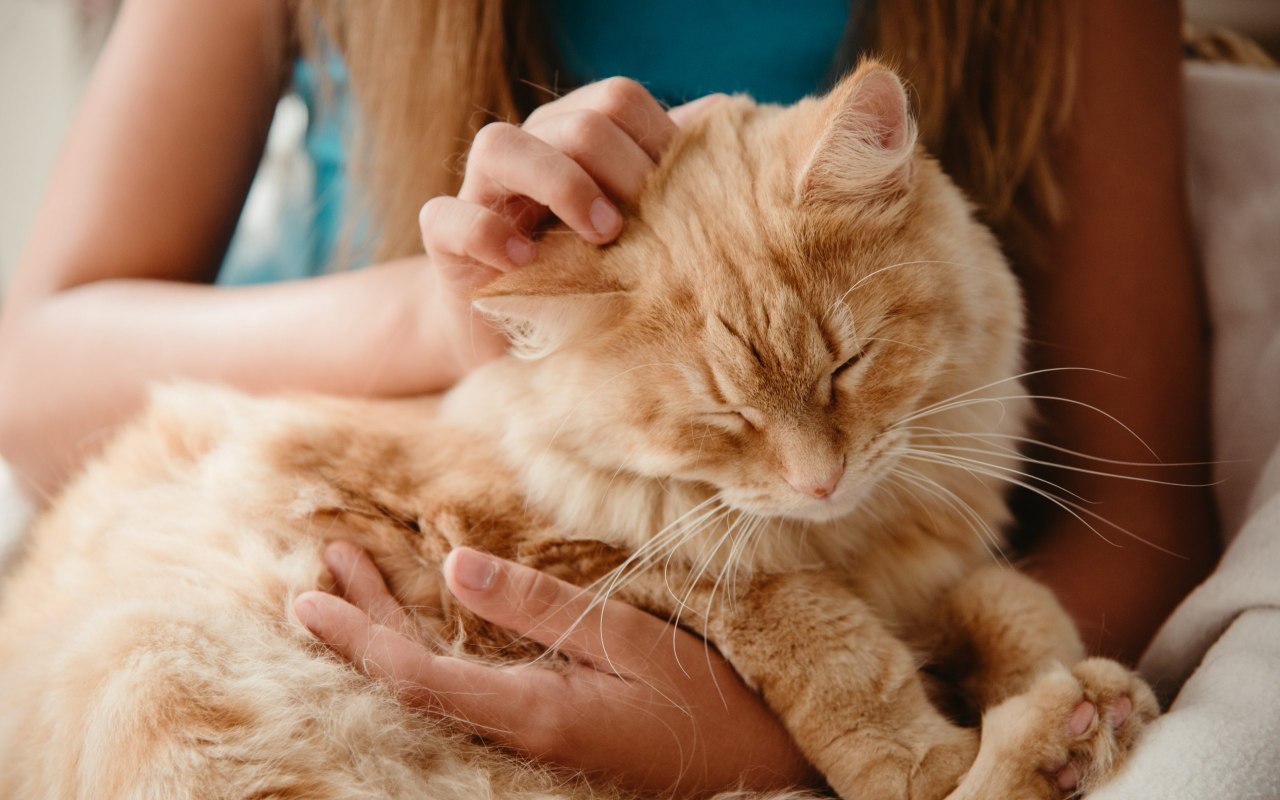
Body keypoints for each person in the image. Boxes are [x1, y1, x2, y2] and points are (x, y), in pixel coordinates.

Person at [0, 0, 1219, 796]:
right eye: (743, 419)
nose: (810, 470)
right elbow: (31, 375)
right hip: (324, 464)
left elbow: (1141, 508)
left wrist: (756, 729)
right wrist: (448, 318)